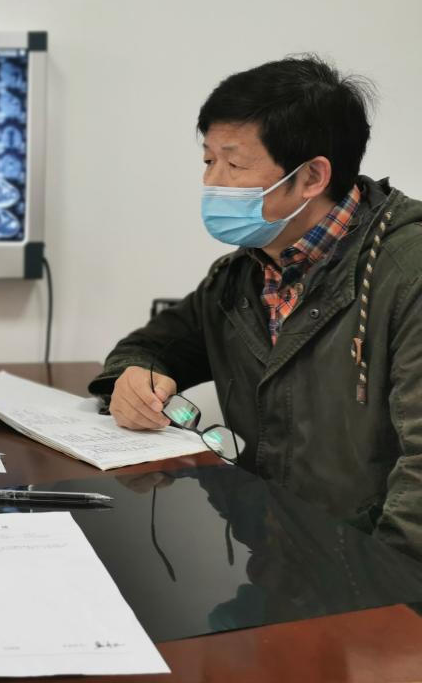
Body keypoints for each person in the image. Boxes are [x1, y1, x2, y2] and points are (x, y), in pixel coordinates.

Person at [89, 55, 422, 561]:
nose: (213, 182)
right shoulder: (243, 274)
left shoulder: (406, 274)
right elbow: (152, 346)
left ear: (312, 177)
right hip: (277, 566)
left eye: (234, 164)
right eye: (208, 161)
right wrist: (133, 377)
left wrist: (382, 590)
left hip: (369, 581)